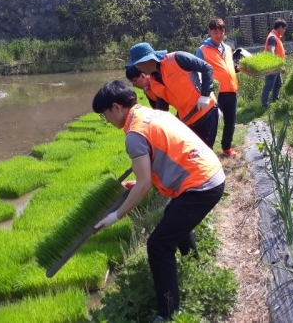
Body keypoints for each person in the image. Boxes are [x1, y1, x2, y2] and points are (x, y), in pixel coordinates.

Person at [93, 81, 225, 322]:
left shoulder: (134, 134)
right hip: (209, 173)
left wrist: (116, 215)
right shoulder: (150, 114)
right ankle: (194, 265)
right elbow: (154, 165)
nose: (107, 120)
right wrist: (140, 182)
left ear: (116, 107)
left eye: (104, 115)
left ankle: (167, 312)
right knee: (174, 220)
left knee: (158, 246)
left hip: (200, 185)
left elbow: (144, 187)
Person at [126, 42, 219, 148]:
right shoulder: (153, 81)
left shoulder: (177, 58)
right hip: (187, 120)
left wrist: (205, 95)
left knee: (205, 153)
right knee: (193, 155)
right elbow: (162, 108)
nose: (138, 68)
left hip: (205, 111)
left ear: (146, 60)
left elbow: (207, 68)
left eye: (138, 64)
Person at [196, 18, 239, 157]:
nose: (219, 35)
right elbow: (197, 72)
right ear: (209, 32)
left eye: (221, 32)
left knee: (230, 122)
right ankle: (208, 152)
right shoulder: (203, 50)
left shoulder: (227, 48)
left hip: (231, 90)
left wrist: (237, 69)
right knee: (211, 124)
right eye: (215, 32)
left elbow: (227, 66)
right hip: (214, 94)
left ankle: (227, 147)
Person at [261, 19, 287, 108]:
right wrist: (277, 65)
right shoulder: (272, 37)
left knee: (278, 83)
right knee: (269, 86)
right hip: (273, 66)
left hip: (277, 66)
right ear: (280, 27)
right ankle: (264, 105)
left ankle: (275, 100)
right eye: (284, 29)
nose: (284, 31)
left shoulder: (275, 36)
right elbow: (271, 50)